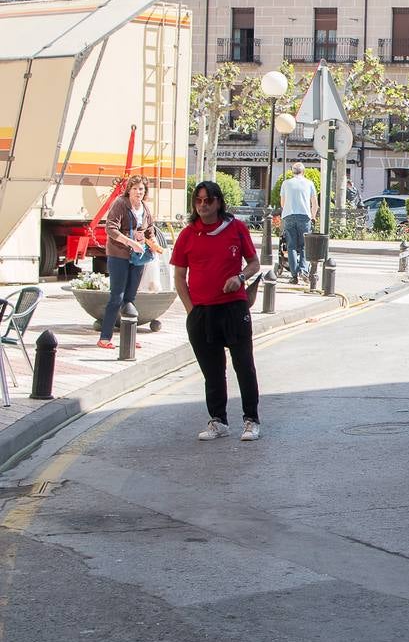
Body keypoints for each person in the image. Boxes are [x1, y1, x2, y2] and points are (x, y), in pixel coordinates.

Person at [172, 181, 263, 442]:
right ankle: (218, 420)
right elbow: (179, 276)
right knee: (212, 371)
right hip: (202, 313)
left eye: (208, 200)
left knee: (243, 365)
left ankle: (251, 420)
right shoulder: (188, 234)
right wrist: (192, 310)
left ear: (218, 203)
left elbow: (254, 263)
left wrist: (240, 277)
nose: (203, 205)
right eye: (198, 200)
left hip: (233, 308)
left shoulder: (236, 228)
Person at [98, 174, 158, 350]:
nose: (138, 192)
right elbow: (111, 228)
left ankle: (129, 337)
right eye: (135, 189)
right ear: (129, 190)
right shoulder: (120, 204)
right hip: (119, 254)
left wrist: (151, 243)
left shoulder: (145, 208)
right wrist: (131, 241)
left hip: (138, 256)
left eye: (141, 189)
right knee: (117, 296)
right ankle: (104, 337)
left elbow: (150, 230)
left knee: (130, 297)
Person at [279, 163, 317, 283]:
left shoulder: (286, 183)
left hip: (289, 216)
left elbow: (282, 203)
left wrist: (289, 210)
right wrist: (313, 216)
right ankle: (304, 271)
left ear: (292, 172)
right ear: (303, 172)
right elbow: (315, 203)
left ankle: (294, 275)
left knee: (291, 247)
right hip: (304, 216)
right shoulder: (309, 183)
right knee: (305, 246)